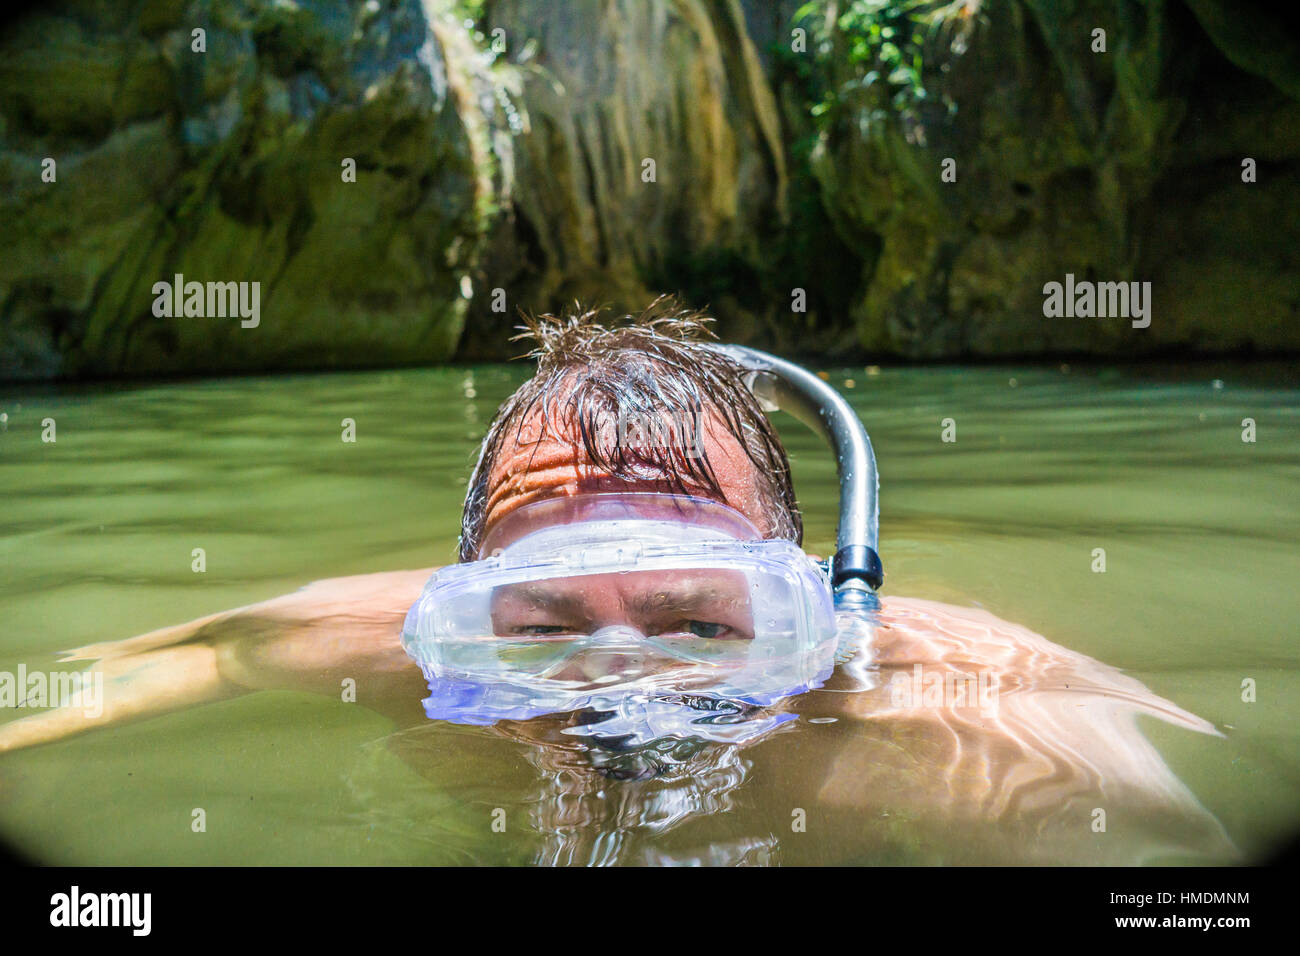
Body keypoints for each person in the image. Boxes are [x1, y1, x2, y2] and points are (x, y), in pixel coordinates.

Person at [0, 300, 1235, 864]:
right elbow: (182, 655)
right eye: (537, 623)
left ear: (815, 605)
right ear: (455, 611)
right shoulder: (378, 643)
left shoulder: (962, 709)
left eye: (700, 618)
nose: (618, 683)